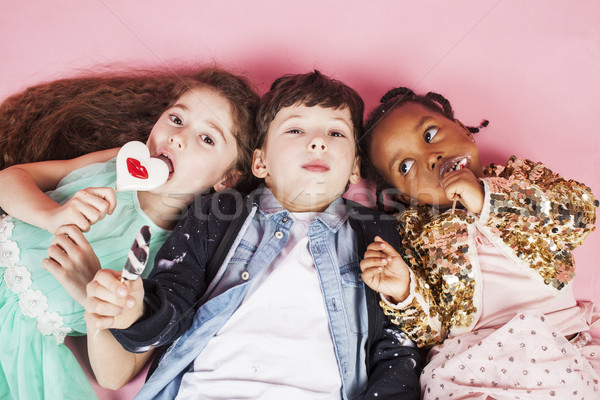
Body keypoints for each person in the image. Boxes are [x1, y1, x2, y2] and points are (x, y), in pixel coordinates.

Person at [84, 70, 422, 399]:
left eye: (335, 134)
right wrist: (133, 311)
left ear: (355, 169)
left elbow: (397, 350)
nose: (318, 141)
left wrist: (402, 291)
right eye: (295, 130)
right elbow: (171, 307)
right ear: (260, 163)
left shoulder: (378, 234)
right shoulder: (215, 216)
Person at [0, 67, 260, 400]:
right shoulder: (115, 163)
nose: (178, 137)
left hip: (15, 344)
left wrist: (92, 292)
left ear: (227, 179)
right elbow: (9, 179)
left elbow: (114, 376)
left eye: (207, 139)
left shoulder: (176, 257)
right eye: (177, 119)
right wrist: (52, 215)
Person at [358, 86, 599, 399]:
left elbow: (581, 213)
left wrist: (488, 199)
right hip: (469, 361)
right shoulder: (417, 233)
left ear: (462, 130)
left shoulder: (519, 178)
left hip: (554, 345)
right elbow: (433, 331)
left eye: (430, 135)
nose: (431, 157)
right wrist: (404, 291)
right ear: (405, 197)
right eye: (405, 166)